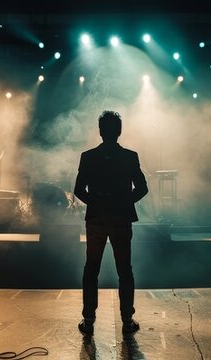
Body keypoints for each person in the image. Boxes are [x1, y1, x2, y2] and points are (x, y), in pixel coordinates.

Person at [73, 111, 148, 336]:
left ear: (100, 131)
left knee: (91, 268)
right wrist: (124, 203)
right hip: (121, 218)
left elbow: (78, 190)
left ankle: (88, 320)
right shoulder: (129, 156)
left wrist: (96, 203)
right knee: (124, 269)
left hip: (96, 219)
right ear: (119, 131)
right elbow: (143, 188)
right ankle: (127, 320)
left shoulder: (88, 156)